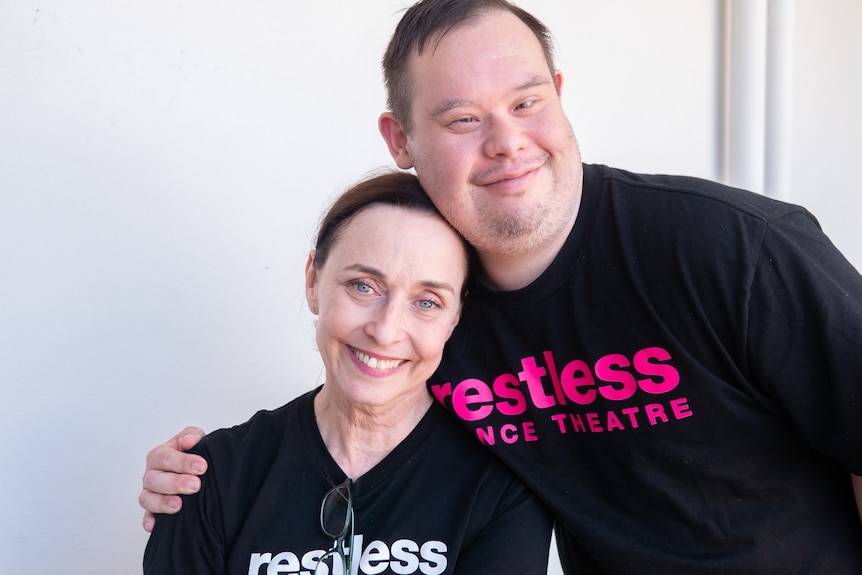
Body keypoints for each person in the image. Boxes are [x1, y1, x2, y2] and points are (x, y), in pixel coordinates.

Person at [141, 0, 862, 572]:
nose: (507, 142)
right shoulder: (433, 311)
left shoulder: (734, 250)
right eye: (462, 119)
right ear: (400, 141)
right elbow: (348, 426)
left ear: (558, 94)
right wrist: (205, 477)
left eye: (525, 103)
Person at [142, 171, 553, 574]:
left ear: (456, 317)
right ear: (313, 281)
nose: (386, 331)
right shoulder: (210, 476)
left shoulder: (502, 488)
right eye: (363, 286)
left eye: (427, 302)